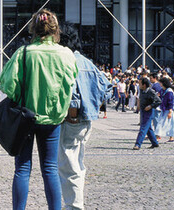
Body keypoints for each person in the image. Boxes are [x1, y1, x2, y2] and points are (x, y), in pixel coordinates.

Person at [0, 8, 77, 210]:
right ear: (55, 30)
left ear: (33, 29)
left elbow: (7, 85)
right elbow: (70, 83)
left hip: (25, 117)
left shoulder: (23, 53)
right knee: (50, 168)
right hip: (52, 119)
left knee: (22, 169)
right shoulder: (66, 54)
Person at [57, 23, 109, 209]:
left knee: (68, 167)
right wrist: (93, 105)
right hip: (86, 120)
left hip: (72, 120)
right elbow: (106, 88)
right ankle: (72, 205)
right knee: (77, 165)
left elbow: (72, 91)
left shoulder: (67, 60)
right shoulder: (87, 62)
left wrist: (72, 111)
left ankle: (74, 206)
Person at [133, 76, 161, 150]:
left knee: (143, 128)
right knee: (148, 129)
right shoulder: (141, 90)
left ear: (144, 85)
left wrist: (151, 106)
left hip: (149, 112)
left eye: (140, 84)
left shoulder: (151, 91)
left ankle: (138, 144)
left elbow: (158, 101)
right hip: (142, 111)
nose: (138, 85)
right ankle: (155, 143)